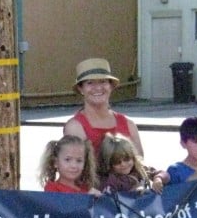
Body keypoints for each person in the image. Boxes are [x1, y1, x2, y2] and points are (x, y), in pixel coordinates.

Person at [63, 57, 166, 190]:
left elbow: (139, 165)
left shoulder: (129, 124)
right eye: (90, 83)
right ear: (81, 89)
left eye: (103, 82)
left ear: (111, 86)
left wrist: (156, 178)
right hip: (95, 200)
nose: (98, 87)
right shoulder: (74, 126)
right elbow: (75, 173)